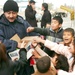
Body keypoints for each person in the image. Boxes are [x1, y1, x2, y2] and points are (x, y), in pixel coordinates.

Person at [0, 0, 39, 75]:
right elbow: (1, 41)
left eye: (14, 13)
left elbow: (32, 32)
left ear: (17, 13)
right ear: (4, 12)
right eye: (8, 13)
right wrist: (15, 44)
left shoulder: (22, 22)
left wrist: (38, 39)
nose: (11, 16)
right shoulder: (1, 25)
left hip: (26, 58)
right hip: (10, 62)